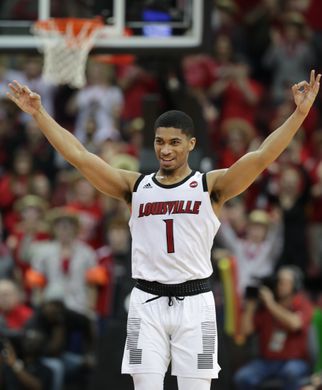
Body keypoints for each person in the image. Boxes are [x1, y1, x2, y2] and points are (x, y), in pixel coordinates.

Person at [6, 70, 320, 390]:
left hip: (196, 302)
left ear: (191, 144)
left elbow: (262, 157)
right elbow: (80, 157)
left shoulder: (209, 186)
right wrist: (40, 114)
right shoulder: (135, 186)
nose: (165, 150)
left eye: (174, 142)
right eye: (159, 142)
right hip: (146, 302)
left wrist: (299, 114)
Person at [234, 266, 314, 390]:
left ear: (296, 285)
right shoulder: (264, 307)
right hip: (267, 361)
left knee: (291, 373)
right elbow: (246, 331)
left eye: (284, 282)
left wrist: (271, 304)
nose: (279, 285)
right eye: (278, 281)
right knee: (242, 377)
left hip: (294, 361)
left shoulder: (302, 304)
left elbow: (294, 324)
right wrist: (250, 306)